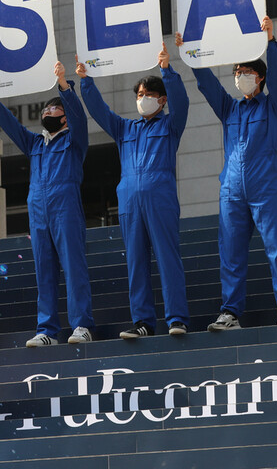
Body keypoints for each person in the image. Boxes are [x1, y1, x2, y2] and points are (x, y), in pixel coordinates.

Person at [180, 16, 277, 330]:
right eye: (236, 72)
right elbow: (207, 84)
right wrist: (189, 53)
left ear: (259, 79)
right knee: (231, 253)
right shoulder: (229, 109)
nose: (239, 77)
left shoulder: (272, 106)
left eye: (245, 72)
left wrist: (271, 43)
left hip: (267, 187)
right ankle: (230, 312)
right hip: (232, 190)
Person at [0, 62, 95, 347]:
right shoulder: (35, 144)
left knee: (73, 267)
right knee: (44, 269)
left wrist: (64, 86)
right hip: (38, 209)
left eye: (52, 111)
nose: (46, 114)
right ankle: (47, 330)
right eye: (44, 111)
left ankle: (81, 326)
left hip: (65, 207)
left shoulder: (75, 139)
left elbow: (79, 115)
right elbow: (11, 126)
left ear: (64, 118)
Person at [78, 44, 190, 338]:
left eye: (148, 95)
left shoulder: (171, 124)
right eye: (139, 95)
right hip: (129, 200)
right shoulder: (125, 129)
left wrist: (168, 70)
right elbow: (100, 111)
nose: (142, 100)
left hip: (160, 196)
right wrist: (86, 81)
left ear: (161, 100)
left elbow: (182, 102)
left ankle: (176, 318)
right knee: (136, 262)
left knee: (167, 257)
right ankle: (143, 322)